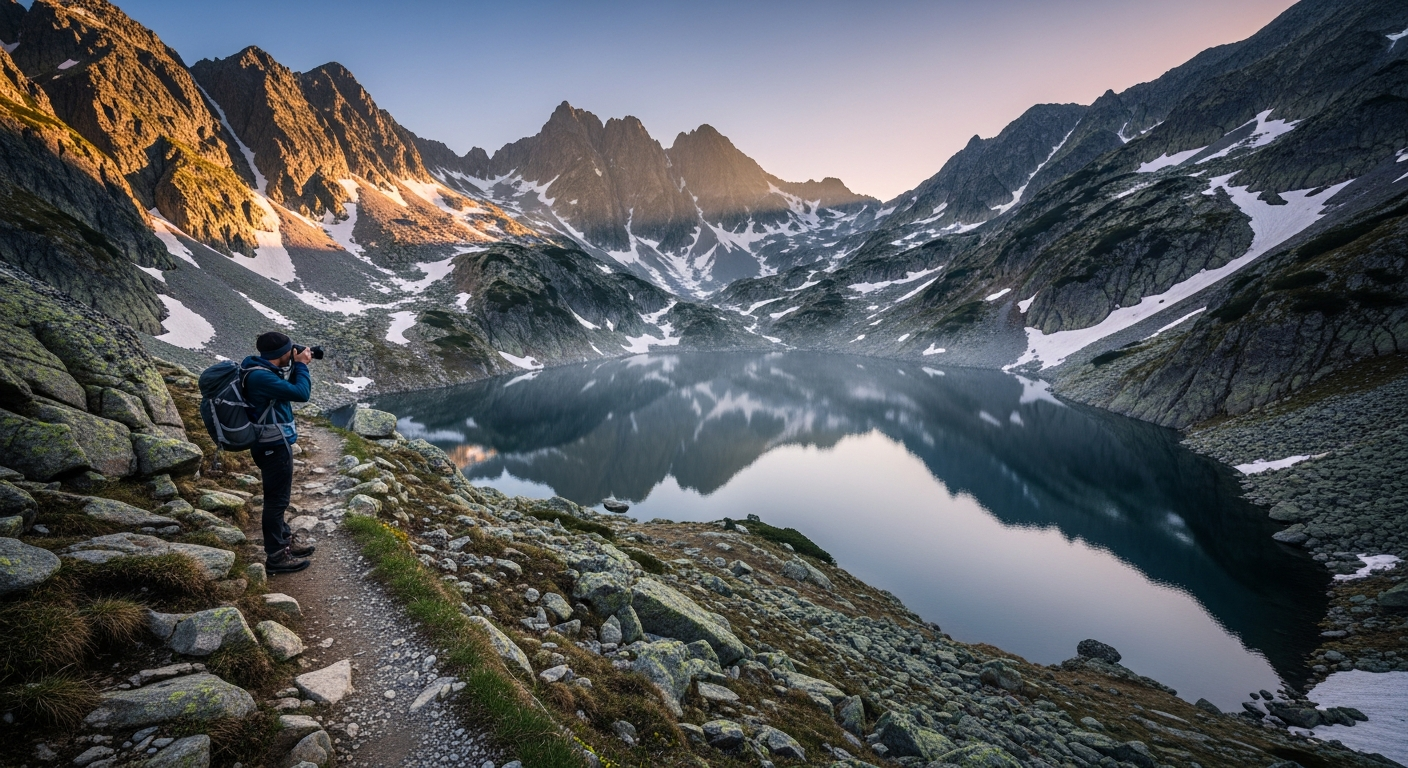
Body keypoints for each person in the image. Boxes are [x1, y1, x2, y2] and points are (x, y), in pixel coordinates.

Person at [243, 331, 315, 574]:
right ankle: (276, 556)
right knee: (276, 502)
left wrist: (294, 364)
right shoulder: (261, 378)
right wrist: (302, 365)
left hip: (270, 443)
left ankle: (284, 542)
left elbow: (286, 388)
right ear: (283, 354)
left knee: (278, 499)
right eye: (290, 350)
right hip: (273, 446)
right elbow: (301, 393)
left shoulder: (261, 370)